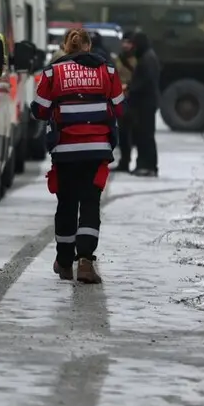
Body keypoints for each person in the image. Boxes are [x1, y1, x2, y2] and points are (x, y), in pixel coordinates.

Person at [31, 28, 125, 284]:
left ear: (65, 46)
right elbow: (119, 108)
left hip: (65, 151)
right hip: (97, 151)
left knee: (67, 204)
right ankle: (85, 260)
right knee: (90, 203)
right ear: (89, 46)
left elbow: (39, 110)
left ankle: (63, 262)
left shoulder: (52, 72)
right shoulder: (107, 71)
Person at [127, 31, 160, 177]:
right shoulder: (147, 57)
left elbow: (145, 81)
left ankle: (148, 166)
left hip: (145, 104)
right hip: (144, 103)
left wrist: (131, 89)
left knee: (145, 135)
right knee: (142, 135)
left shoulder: (147, 59)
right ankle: (144, 164)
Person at [113, 31, 137, 171]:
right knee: (122, 132)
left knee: (132, 132)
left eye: (128, 42)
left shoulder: (137, 59)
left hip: (132, 98)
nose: (125, 45)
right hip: (119, 99)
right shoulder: (119, 58)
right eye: (124, 42)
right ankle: (124, 161)